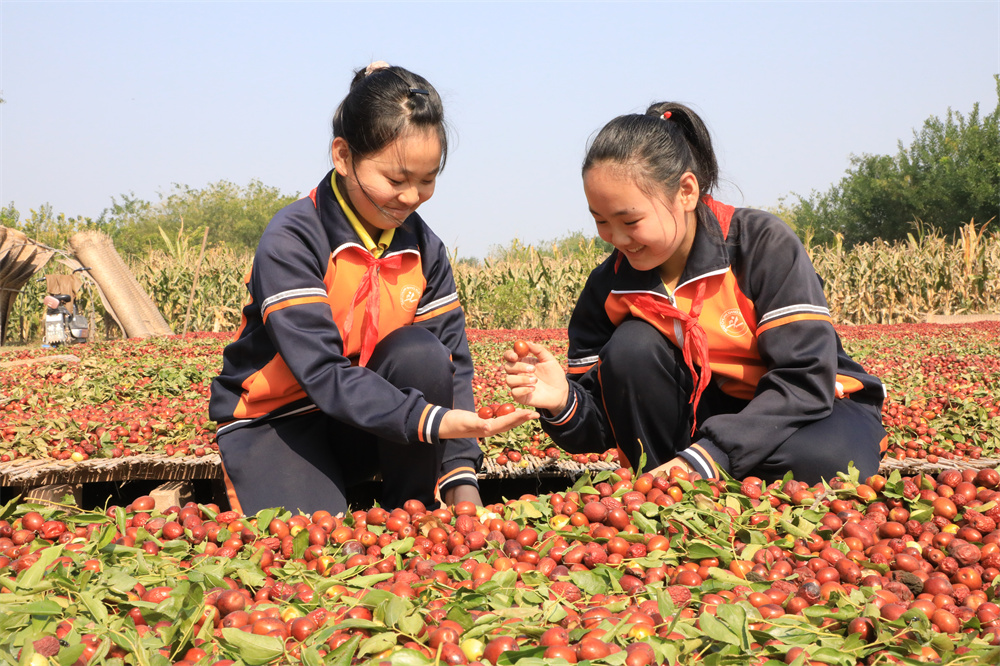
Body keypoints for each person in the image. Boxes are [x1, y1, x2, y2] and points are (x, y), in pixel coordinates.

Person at [210, 62, 535, 516]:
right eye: (396, 180)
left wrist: (463, 484)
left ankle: (413, 506)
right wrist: (432, 421)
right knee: (315, 545)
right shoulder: (295, 238)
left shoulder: (423, 247)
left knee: (422, 353)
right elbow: (322, 373)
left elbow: (452, 363)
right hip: (278, 420)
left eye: (427, 180)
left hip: (371, 423)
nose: (411, 197)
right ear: (343, 156)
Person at [504, 102, 887, 484]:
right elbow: (606, 427)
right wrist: (561, 401)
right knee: (633, 345)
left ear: (686, 191)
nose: (616, 238)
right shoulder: (608, 286)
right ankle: (667, 488)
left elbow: (804, 380)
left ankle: (693, 470)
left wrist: (706, 456)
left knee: (830, 460)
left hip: (807, 409)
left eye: (630, 221)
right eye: (601, 221)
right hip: (701, 422)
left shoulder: (759, 245)